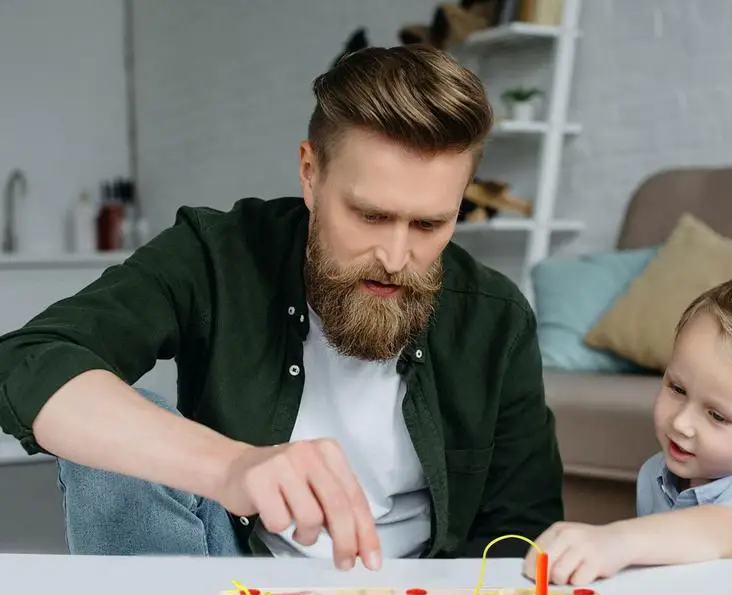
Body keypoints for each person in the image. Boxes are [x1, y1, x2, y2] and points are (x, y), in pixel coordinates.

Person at [0, 45, 563, 567]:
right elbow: (31, 359)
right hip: (233, 585)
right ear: (310, 174)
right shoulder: (217, 254)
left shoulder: (496, 316)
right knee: (112, 441)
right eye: (369, 216)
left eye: (430, 224)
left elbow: (522, 536)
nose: (396, 257)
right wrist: (233, 467)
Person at [524, 268, 732, 586]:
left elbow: (728, 531)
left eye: (718, 416)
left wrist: (619, 540)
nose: (681, 423)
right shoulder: (656, 474)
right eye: (677, 389)